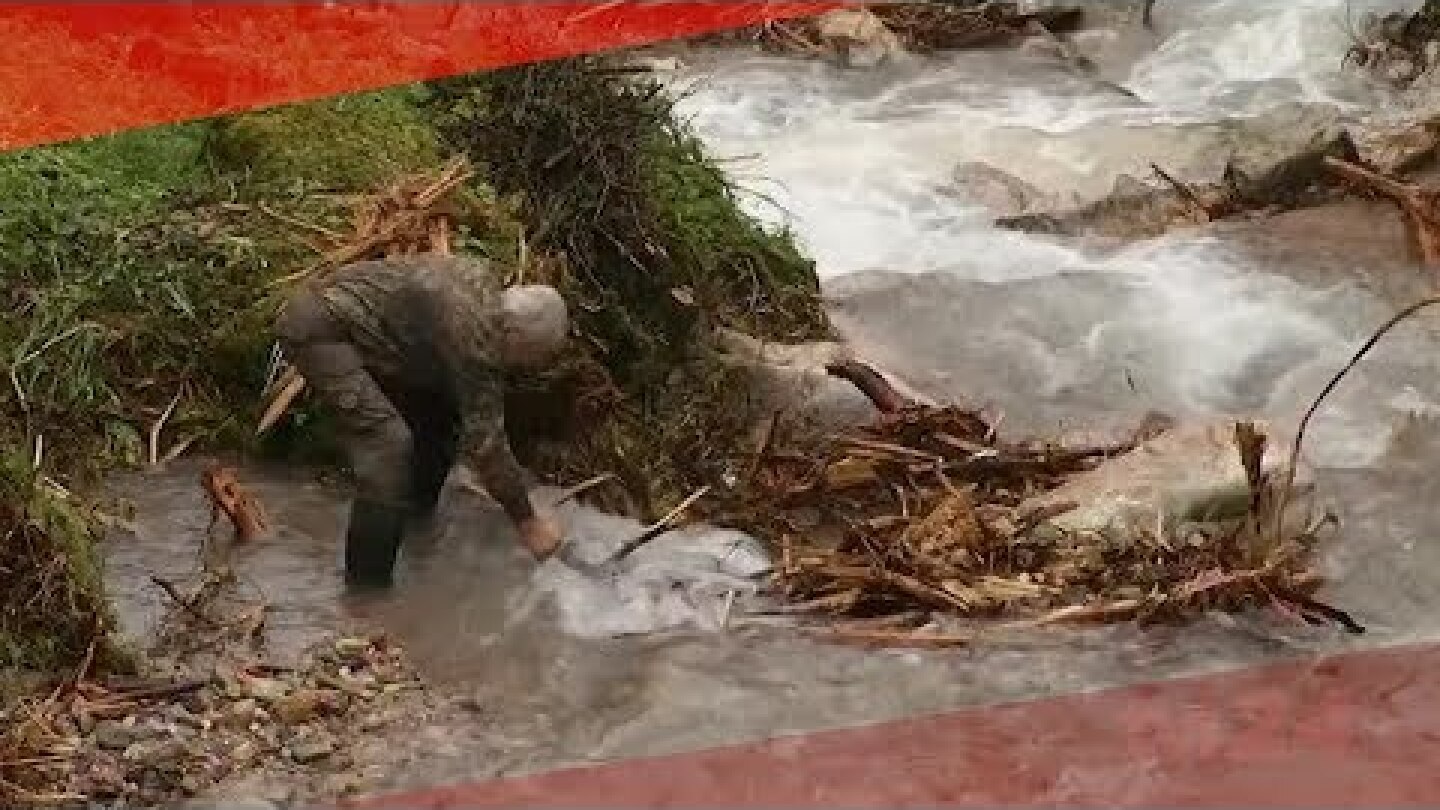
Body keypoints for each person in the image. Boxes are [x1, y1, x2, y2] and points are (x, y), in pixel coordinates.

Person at [274, 252, 570, 591]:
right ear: (517, 340)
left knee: (438, 421)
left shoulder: (482, 283)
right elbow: (487, 444)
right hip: (321, 332)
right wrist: (529, 521)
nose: (516, 370)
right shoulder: (476, 340)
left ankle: (413, 526)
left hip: (376, 334)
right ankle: (365, 592)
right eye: (526, 361)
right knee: (388, 447)